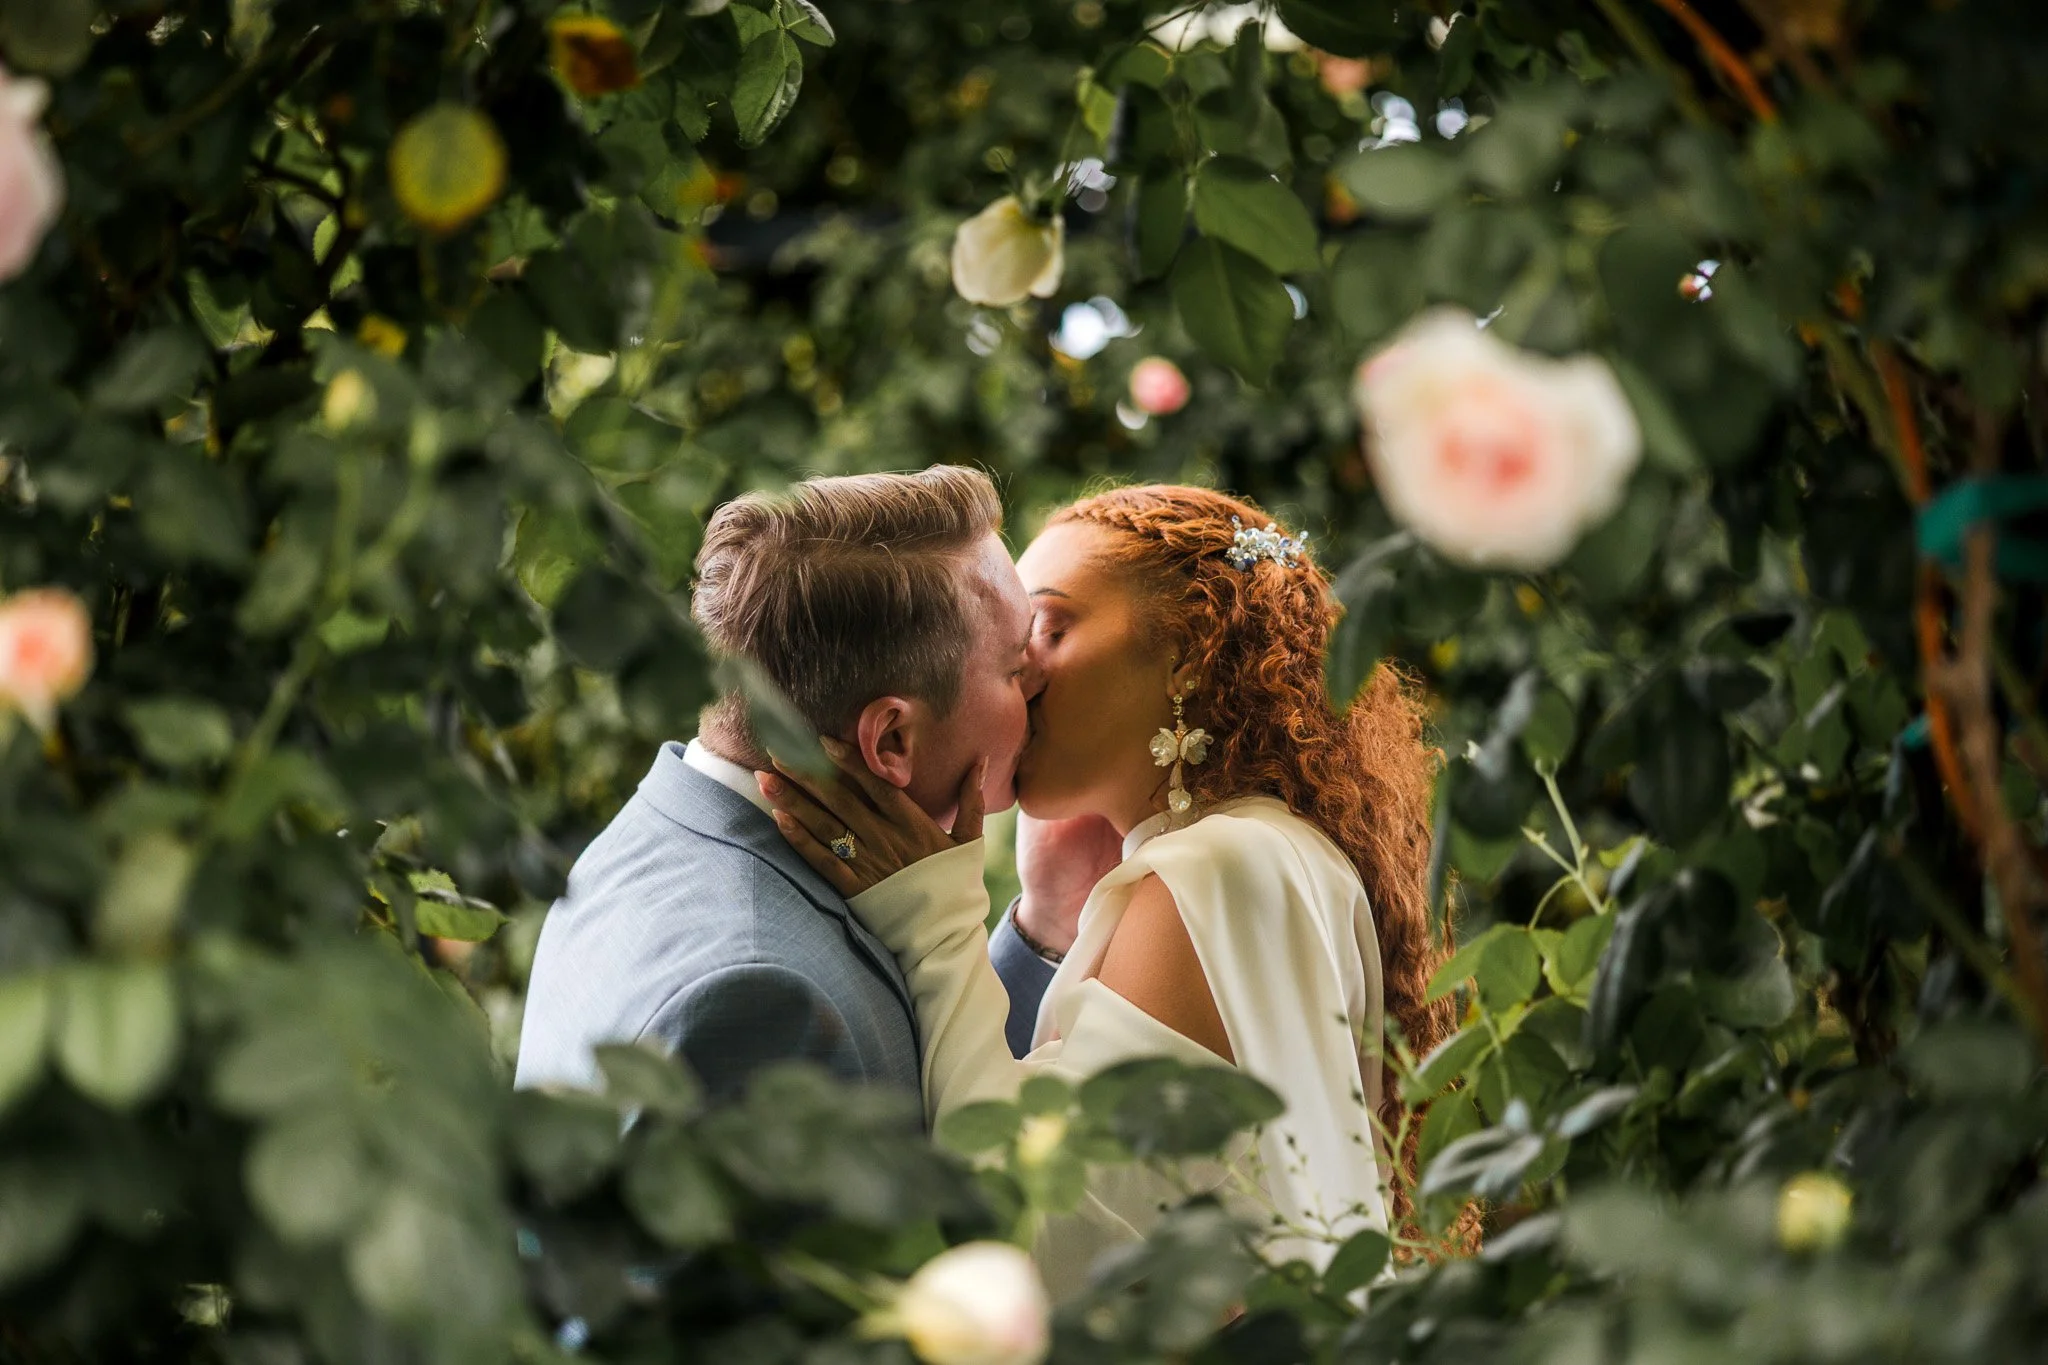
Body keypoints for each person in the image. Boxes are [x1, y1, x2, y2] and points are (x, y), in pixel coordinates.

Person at [756, 485, 1456, 1293]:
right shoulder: (1265, 855)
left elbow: (1032, 1233)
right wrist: (1046, 921)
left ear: (1191, 649)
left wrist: (933, 912)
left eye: (1048, 629)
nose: (1017, 673)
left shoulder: (1215, 872)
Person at [515, 466, 1066, 1102]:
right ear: (890, 741)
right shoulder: (756, 1002)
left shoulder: (641, 846)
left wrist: (1044, 922)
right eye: (1014, 666)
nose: (1039, 681)